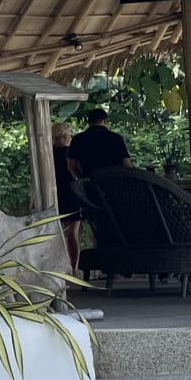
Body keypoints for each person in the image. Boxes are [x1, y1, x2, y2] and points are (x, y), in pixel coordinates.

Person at [52, 121, 83, 268]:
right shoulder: (70, 154)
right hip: (72, 194)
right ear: (64, 136)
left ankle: (60, 266)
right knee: (73, 234)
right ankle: (73, 267)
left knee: (59, 233)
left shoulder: (47, 154)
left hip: (55, 195)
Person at [67, 108, 129, 179]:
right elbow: (126, 164)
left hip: (89, 181)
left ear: (88, 122)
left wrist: (81, 179)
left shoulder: (78, 139)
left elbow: (71, 166)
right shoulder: (116, 138)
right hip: (113, 181)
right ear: (105, 121)